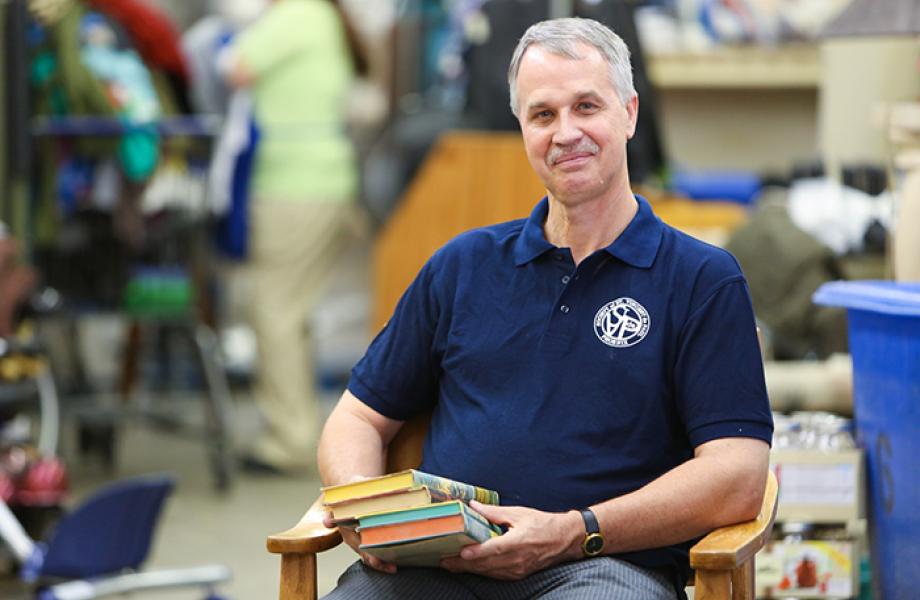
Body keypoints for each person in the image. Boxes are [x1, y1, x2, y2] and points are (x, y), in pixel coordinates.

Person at [318, 17, 773, 599]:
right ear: (522, 129)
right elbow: (357, 417)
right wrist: (365, 506)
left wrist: (573, 531)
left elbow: (738, 475)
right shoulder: (462, 265)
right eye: (543, 114)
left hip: (602, 565)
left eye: (587, 106)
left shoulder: (702, 280)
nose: (566, 133)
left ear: (630, 113)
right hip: (437, 567)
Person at [223, 0, 368, 473]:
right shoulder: (321, 16)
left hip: (294, 187)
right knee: (294, 311)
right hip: (323, 182)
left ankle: (289, 439)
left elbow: (234, 66)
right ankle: (300, 428)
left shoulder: (296, 15)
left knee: (275, 310)